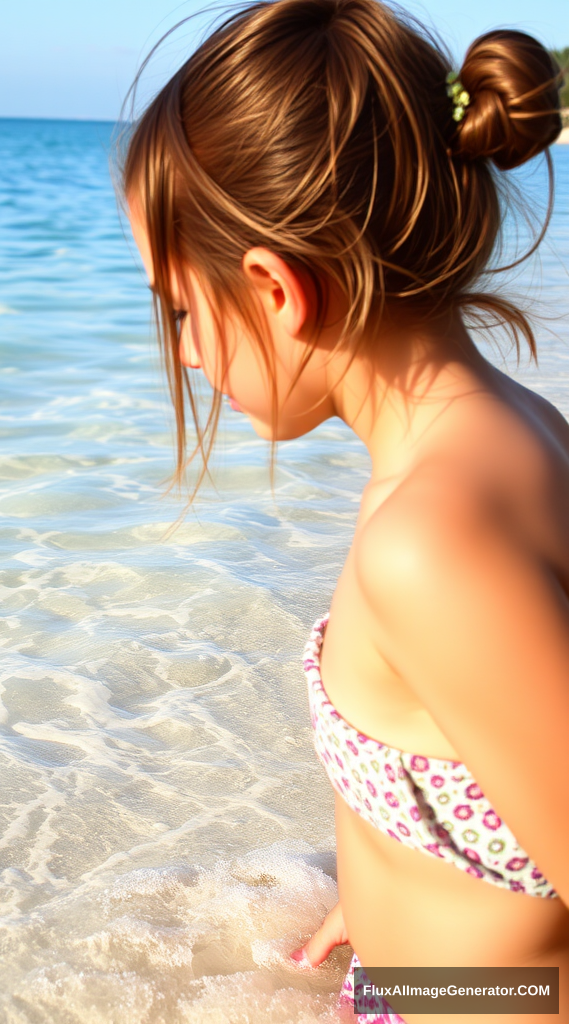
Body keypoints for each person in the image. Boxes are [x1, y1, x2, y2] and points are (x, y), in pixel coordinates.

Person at [120, 1, 567, 1020]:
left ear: (274, 288)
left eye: (180, 307)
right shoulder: (511, 433)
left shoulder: (430, 540)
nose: (184, 349)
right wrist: (387, 913)